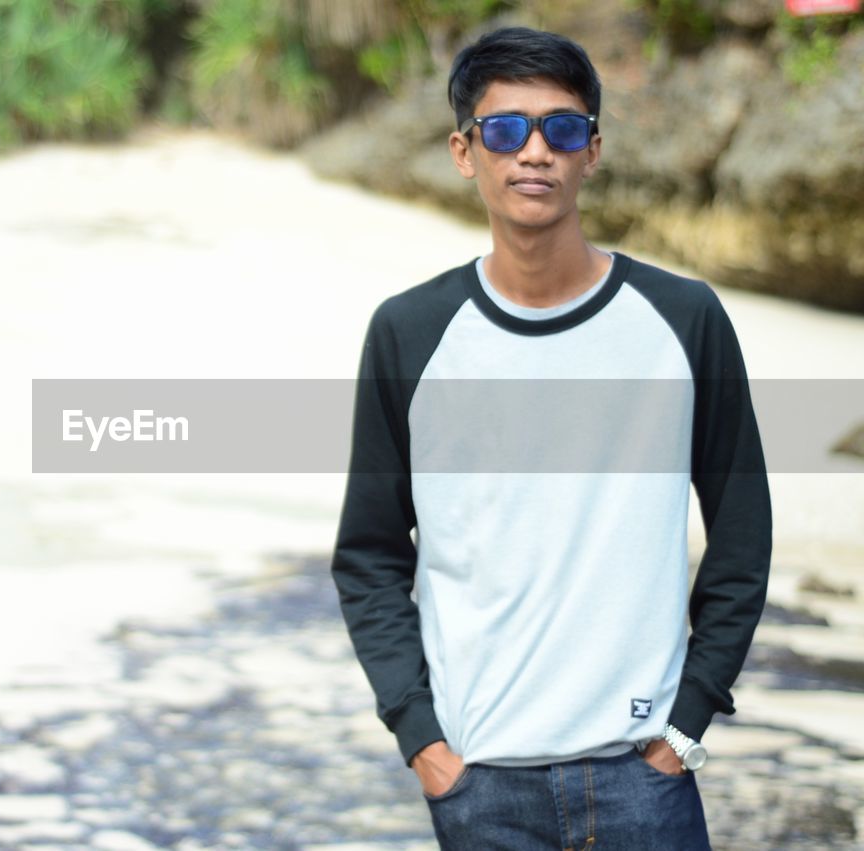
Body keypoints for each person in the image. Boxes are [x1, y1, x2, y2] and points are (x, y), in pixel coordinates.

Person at [329, 26, 771, 850]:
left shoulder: (683, 321)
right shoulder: (411, 333)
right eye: (506, 130)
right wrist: (422, 738)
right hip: (480, 786)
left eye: (562, 128)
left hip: (645, 778)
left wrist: (685, 725)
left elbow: (742, 534)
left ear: (592, 150)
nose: (535, 150)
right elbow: (369, 554)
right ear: (465, 152)